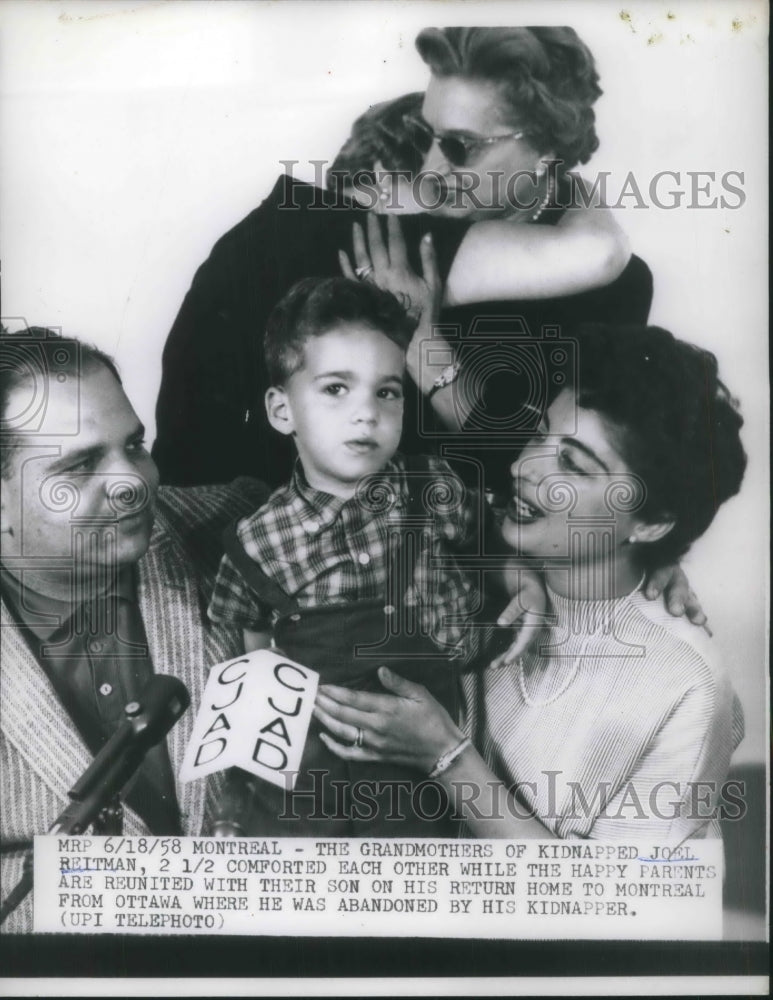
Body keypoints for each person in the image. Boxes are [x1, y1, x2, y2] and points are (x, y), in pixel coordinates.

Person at [152, 25, 652, 490]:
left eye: (461, 147)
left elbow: (544, 479)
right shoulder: (323, 227)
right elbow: (191, 440)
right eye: (426, 135)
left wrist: (426, 350)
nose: (432, 168)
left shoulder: (612, 289)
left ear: (546, 152)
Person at [314, 324, 747, 842]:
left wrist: (447, 758)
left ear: (651, 523)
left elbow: (613, 913)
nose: (522, 467)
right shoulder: (453, 546)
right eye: (540, 434)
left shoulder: (687, 687)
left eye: (571, 463)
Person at [206, 276, 512, 837]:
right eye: (335, 389)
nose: (366, 413)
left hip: (434, 744)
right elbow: (251, 664)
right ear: (281, 410)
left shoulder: (434, 486)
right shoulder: (257, 540)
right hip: (321, 764)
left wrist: (524, 583)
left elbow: (500, 540)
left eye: (386, 392)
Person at [0, 329, 267, 932]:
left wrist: (514, 565)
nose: (133, 482)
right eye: (83, 463)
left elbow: (379, 520)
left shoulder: (233, 528)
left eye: (135, 445)